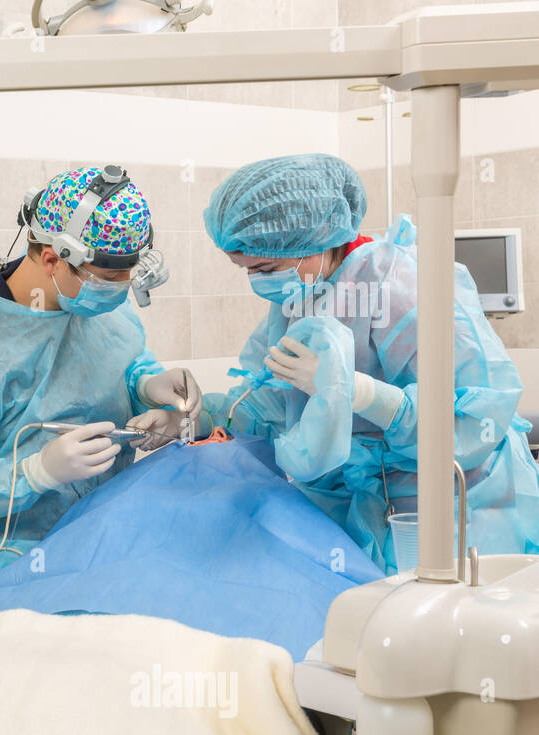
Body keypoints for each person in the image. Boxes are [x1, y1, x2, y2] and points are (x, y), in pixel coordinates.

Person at [0, 165, 200, 669]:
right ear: (53, 258)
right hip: (4, 566)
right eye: (108, 280)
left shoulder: (97, 305)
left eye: (127, 278)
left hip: (106, 546)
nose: (119, 293)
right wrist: (35, 472)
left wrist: (147, 384)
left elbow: (120, 356)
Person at [202, 152, 539, 570]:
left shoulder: (401, 286)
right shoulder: (305, 292)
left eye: (266, 267)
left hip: (452, 508)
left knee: (444, 625)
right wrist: (200, 414)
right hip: (364, 504)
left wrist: (361, 393)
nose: (259, 281)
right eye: (247, 271)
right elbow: (271, 397)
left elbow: (476, 420)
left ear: (318, 237)